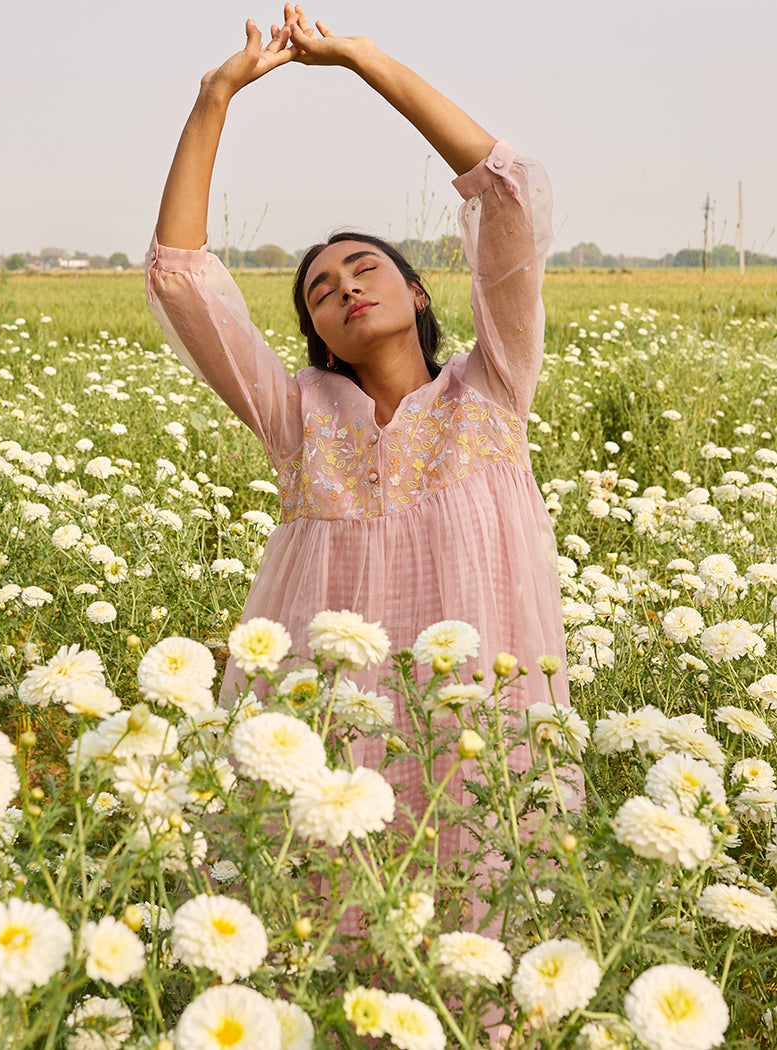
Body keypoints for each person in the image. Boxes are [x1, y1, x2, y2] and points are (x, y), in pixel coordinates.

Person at [146, 6, 569, 784]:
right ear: (319, 336)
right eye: (321, 290)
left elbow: (505, 195)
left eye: (364, 269)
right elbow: (179, 278)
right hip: (331, 742)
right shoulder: (297, 421)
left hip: (474, 742)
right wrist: (214, 98)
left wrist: (364, 61)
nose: (345, 287)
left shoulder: (493, 389)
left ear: (416, 295)